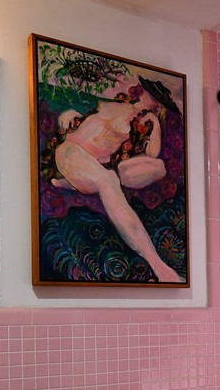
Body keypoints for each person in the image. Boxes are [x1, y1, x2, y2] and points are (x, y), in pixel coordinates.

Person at [50, 76, 185, 283]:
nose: (152, 98)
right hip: (71, 152)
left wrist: (156, 124)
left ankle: (74, 184)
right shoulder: (119, 103)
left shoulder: (143, 122)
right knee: (109, 179)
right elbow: (87, 121)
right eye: (151, 92)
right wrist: (69, 116)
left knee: (144, 170)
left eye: (158, 99)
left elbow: (153, 154)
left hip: (91, 166)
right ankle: (158, 266)